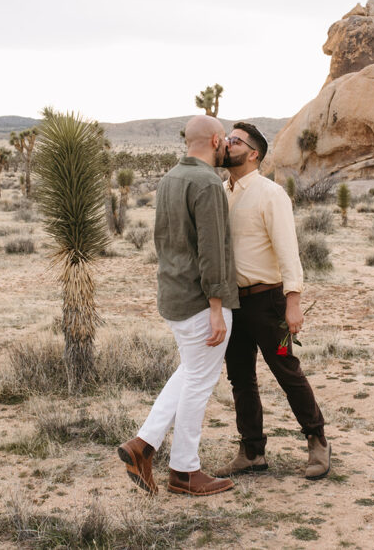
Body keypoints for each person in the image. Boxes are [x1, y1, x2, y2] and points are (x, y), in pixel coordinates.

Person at [117, 115, 240, 496]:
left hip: (173, 295)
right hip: (200, 301)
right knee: (199, 384)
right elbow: (212, 252)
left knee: (189, 374)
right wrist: (217, 306)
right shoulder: (207, 183)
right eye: (226, 141)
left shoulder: (170, 179)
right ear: (217, 140)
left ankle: (142, 446)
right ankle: (185, 472)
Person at [215, 121, 330, 480]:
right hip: (234, 304)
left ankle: (317, 441)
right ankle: (251, 452)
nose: (227, 143)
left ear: (253, 154)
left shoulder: (270, 194)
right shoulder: (220, 192)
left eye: (235, 140)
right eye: (227, 138)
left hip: (270, 304)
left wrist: (293, 303)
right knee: (241, 378)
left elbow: (288, 252)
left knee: (285, 369)